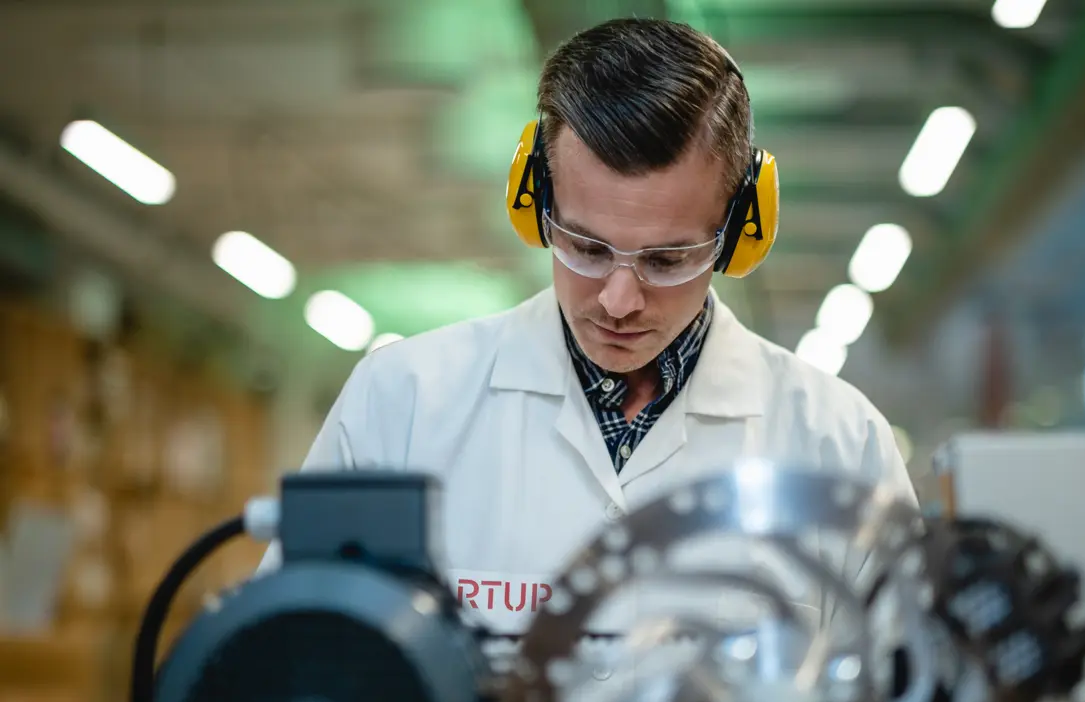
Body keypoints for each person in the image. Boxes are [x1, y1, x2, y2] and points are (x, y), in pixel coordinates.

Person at [257, 16, 915, 627]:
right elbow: (296, 662)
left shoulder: (837, 443)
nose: (619, 299)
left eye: (668, 259)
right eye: (586, 248)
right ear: (533, 203)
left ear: (741, 233)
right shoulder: (400, 403)